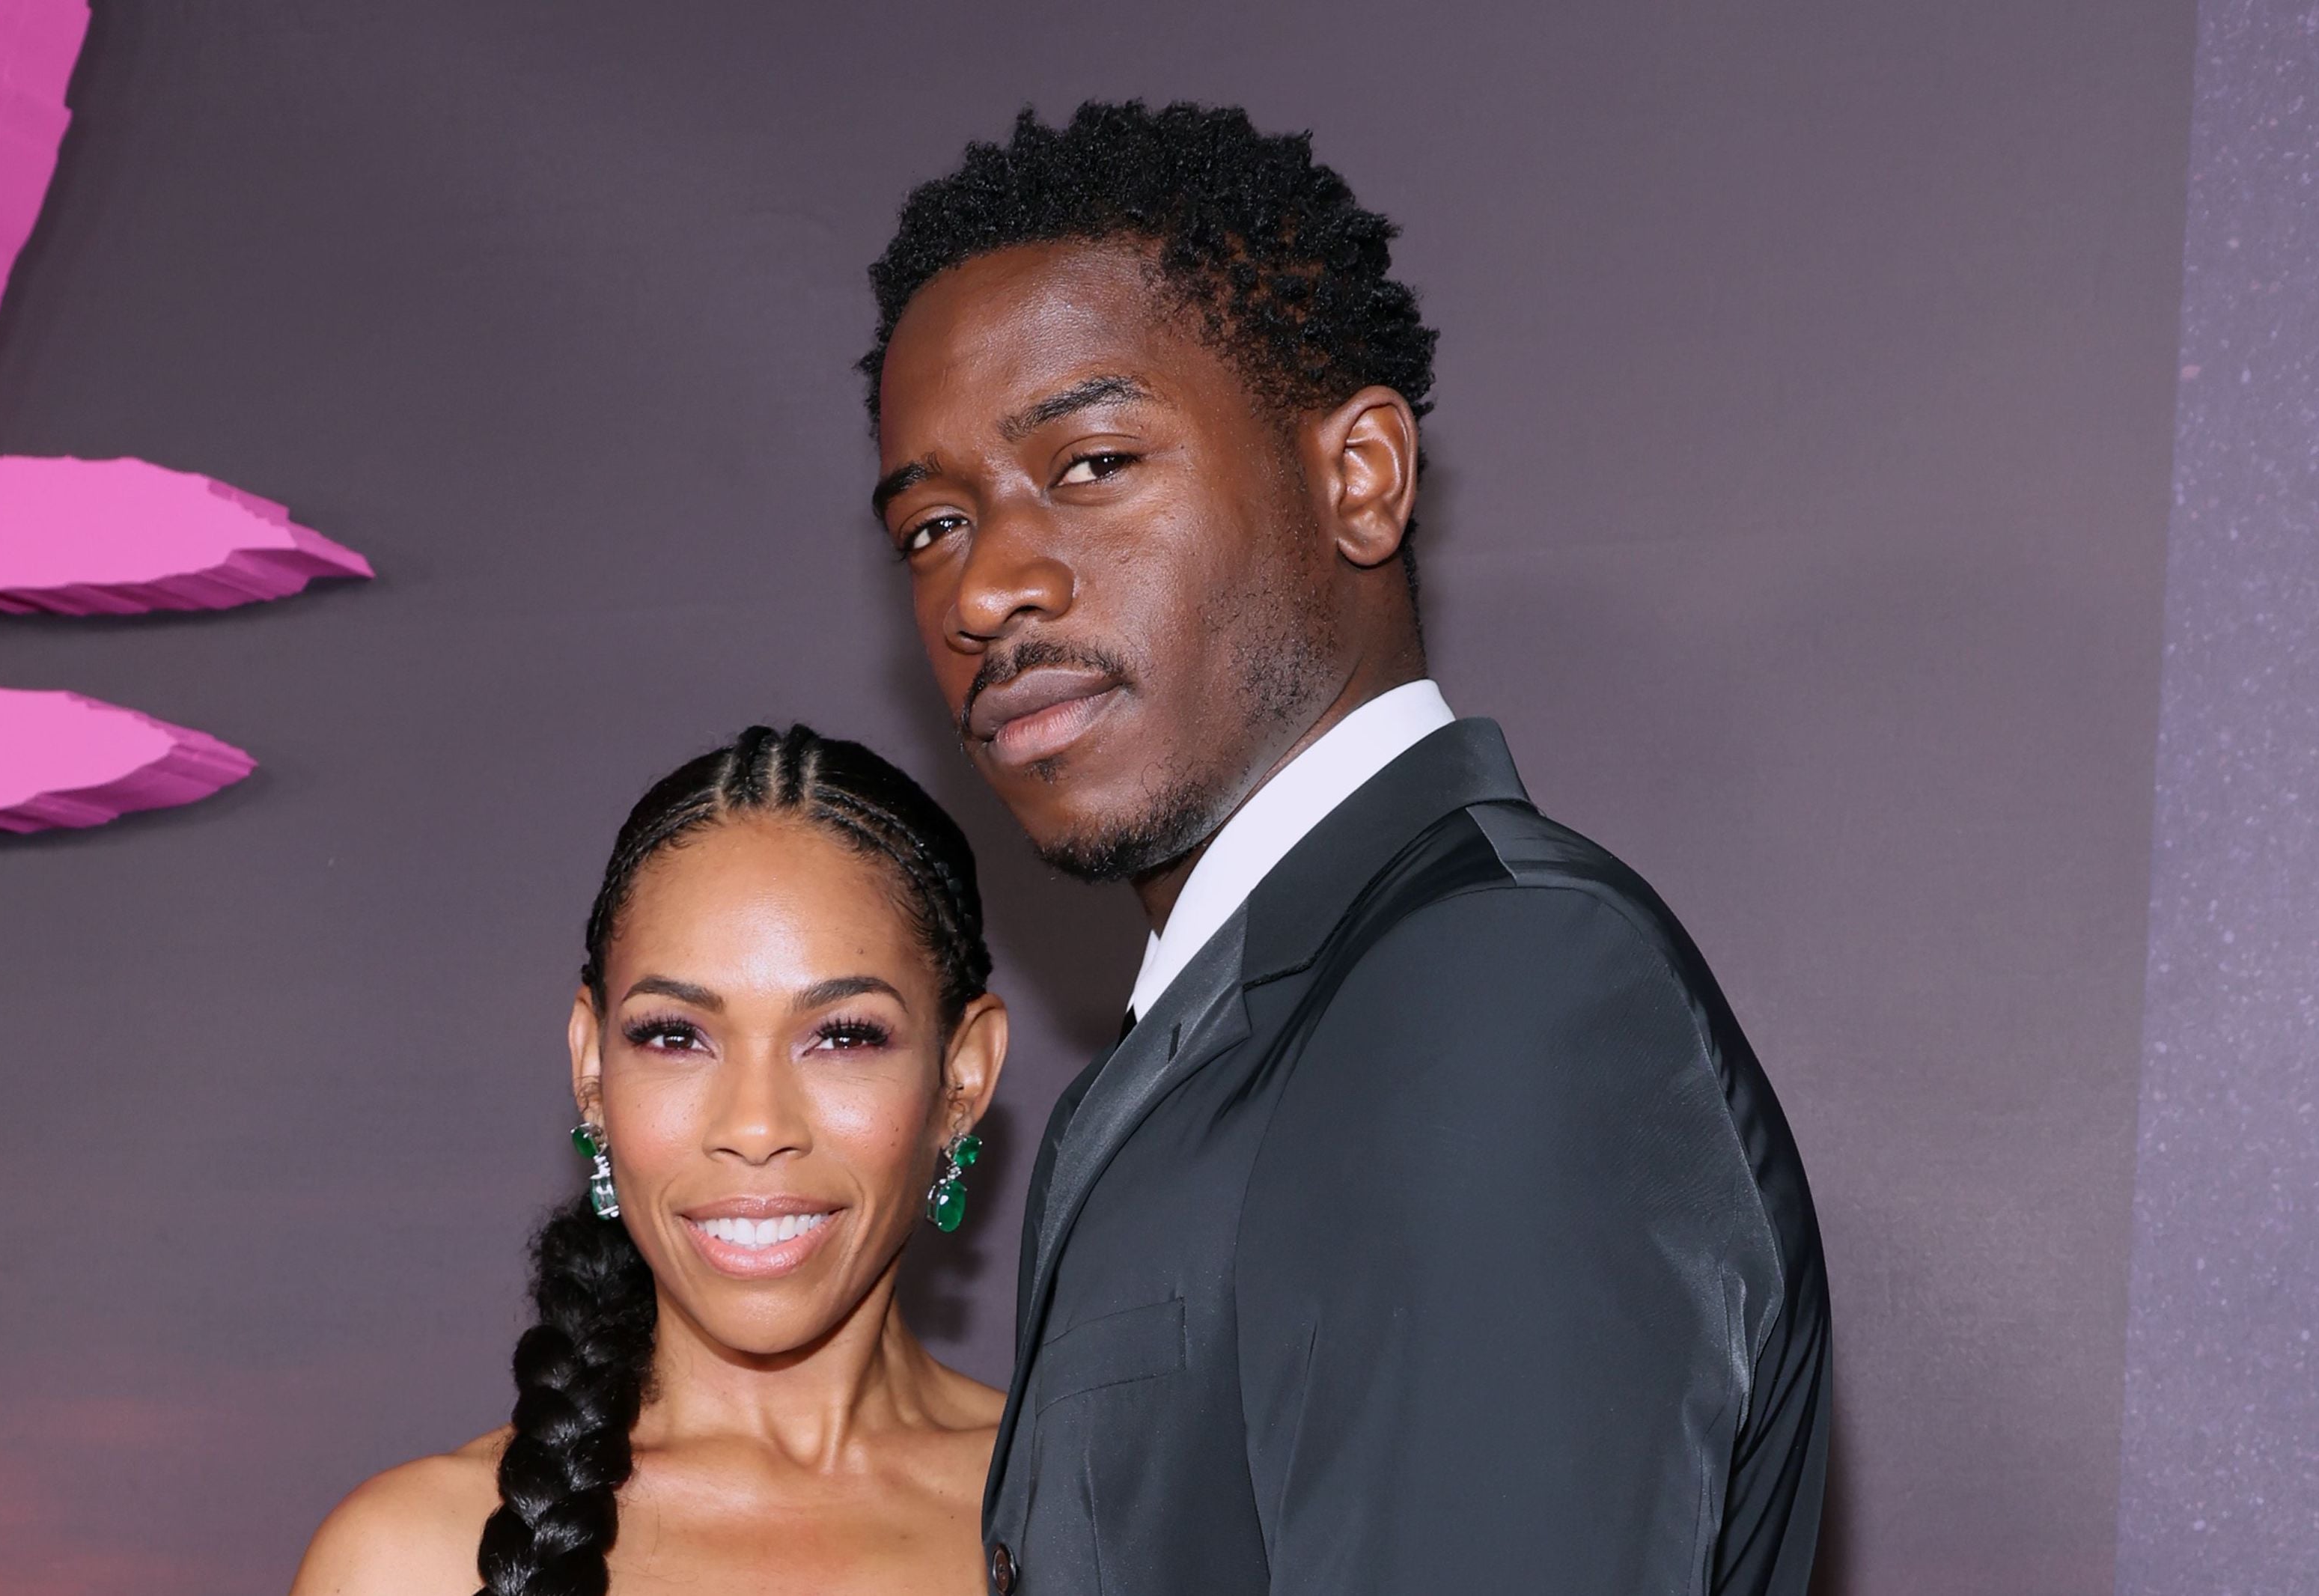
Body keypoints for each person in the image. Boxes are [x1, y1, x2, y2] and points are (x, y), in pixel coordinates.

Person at [863, 103, 1831, 1595]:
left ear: (1360, 477)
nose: (983, 588)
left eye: (1093, 462)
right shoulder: (1241, 1024)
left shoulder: (1494, 986)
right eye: (930, 527)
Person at [288, 726, 1011, 1595]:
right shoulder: (408, 1559)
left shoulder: (1100, 1504)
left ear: (963, 1075)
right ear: (591, 1068)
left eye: (843, 1036)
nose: (754, 1126)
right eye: (675, 1036)